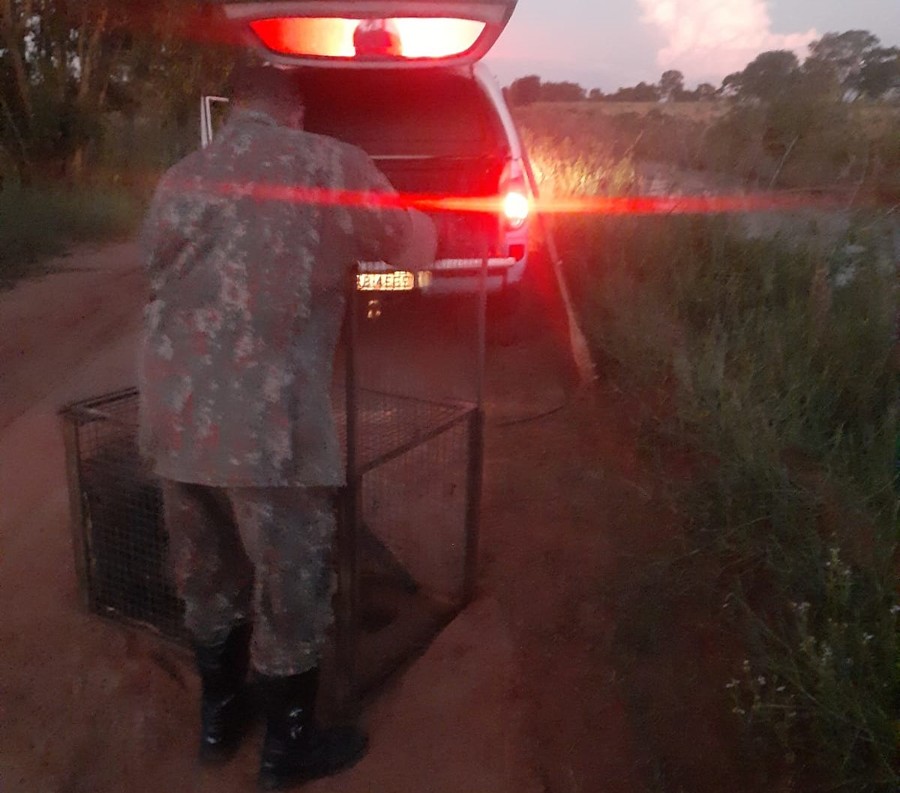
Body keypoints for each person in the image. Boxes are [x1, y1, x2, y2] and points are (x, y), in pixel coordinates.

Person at [137, 62, 436, 789]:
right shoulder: (333, 163)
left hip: (172, 421)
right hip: (270, 433)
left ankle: (219, 721)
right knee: (290, 583)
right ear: (294, 108)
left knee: (205, 576)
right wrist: (390, 265)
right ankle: (289, 747)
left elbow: (153, 273)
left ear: (233, 107)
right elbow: (411, 254)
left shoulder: (180, 177)